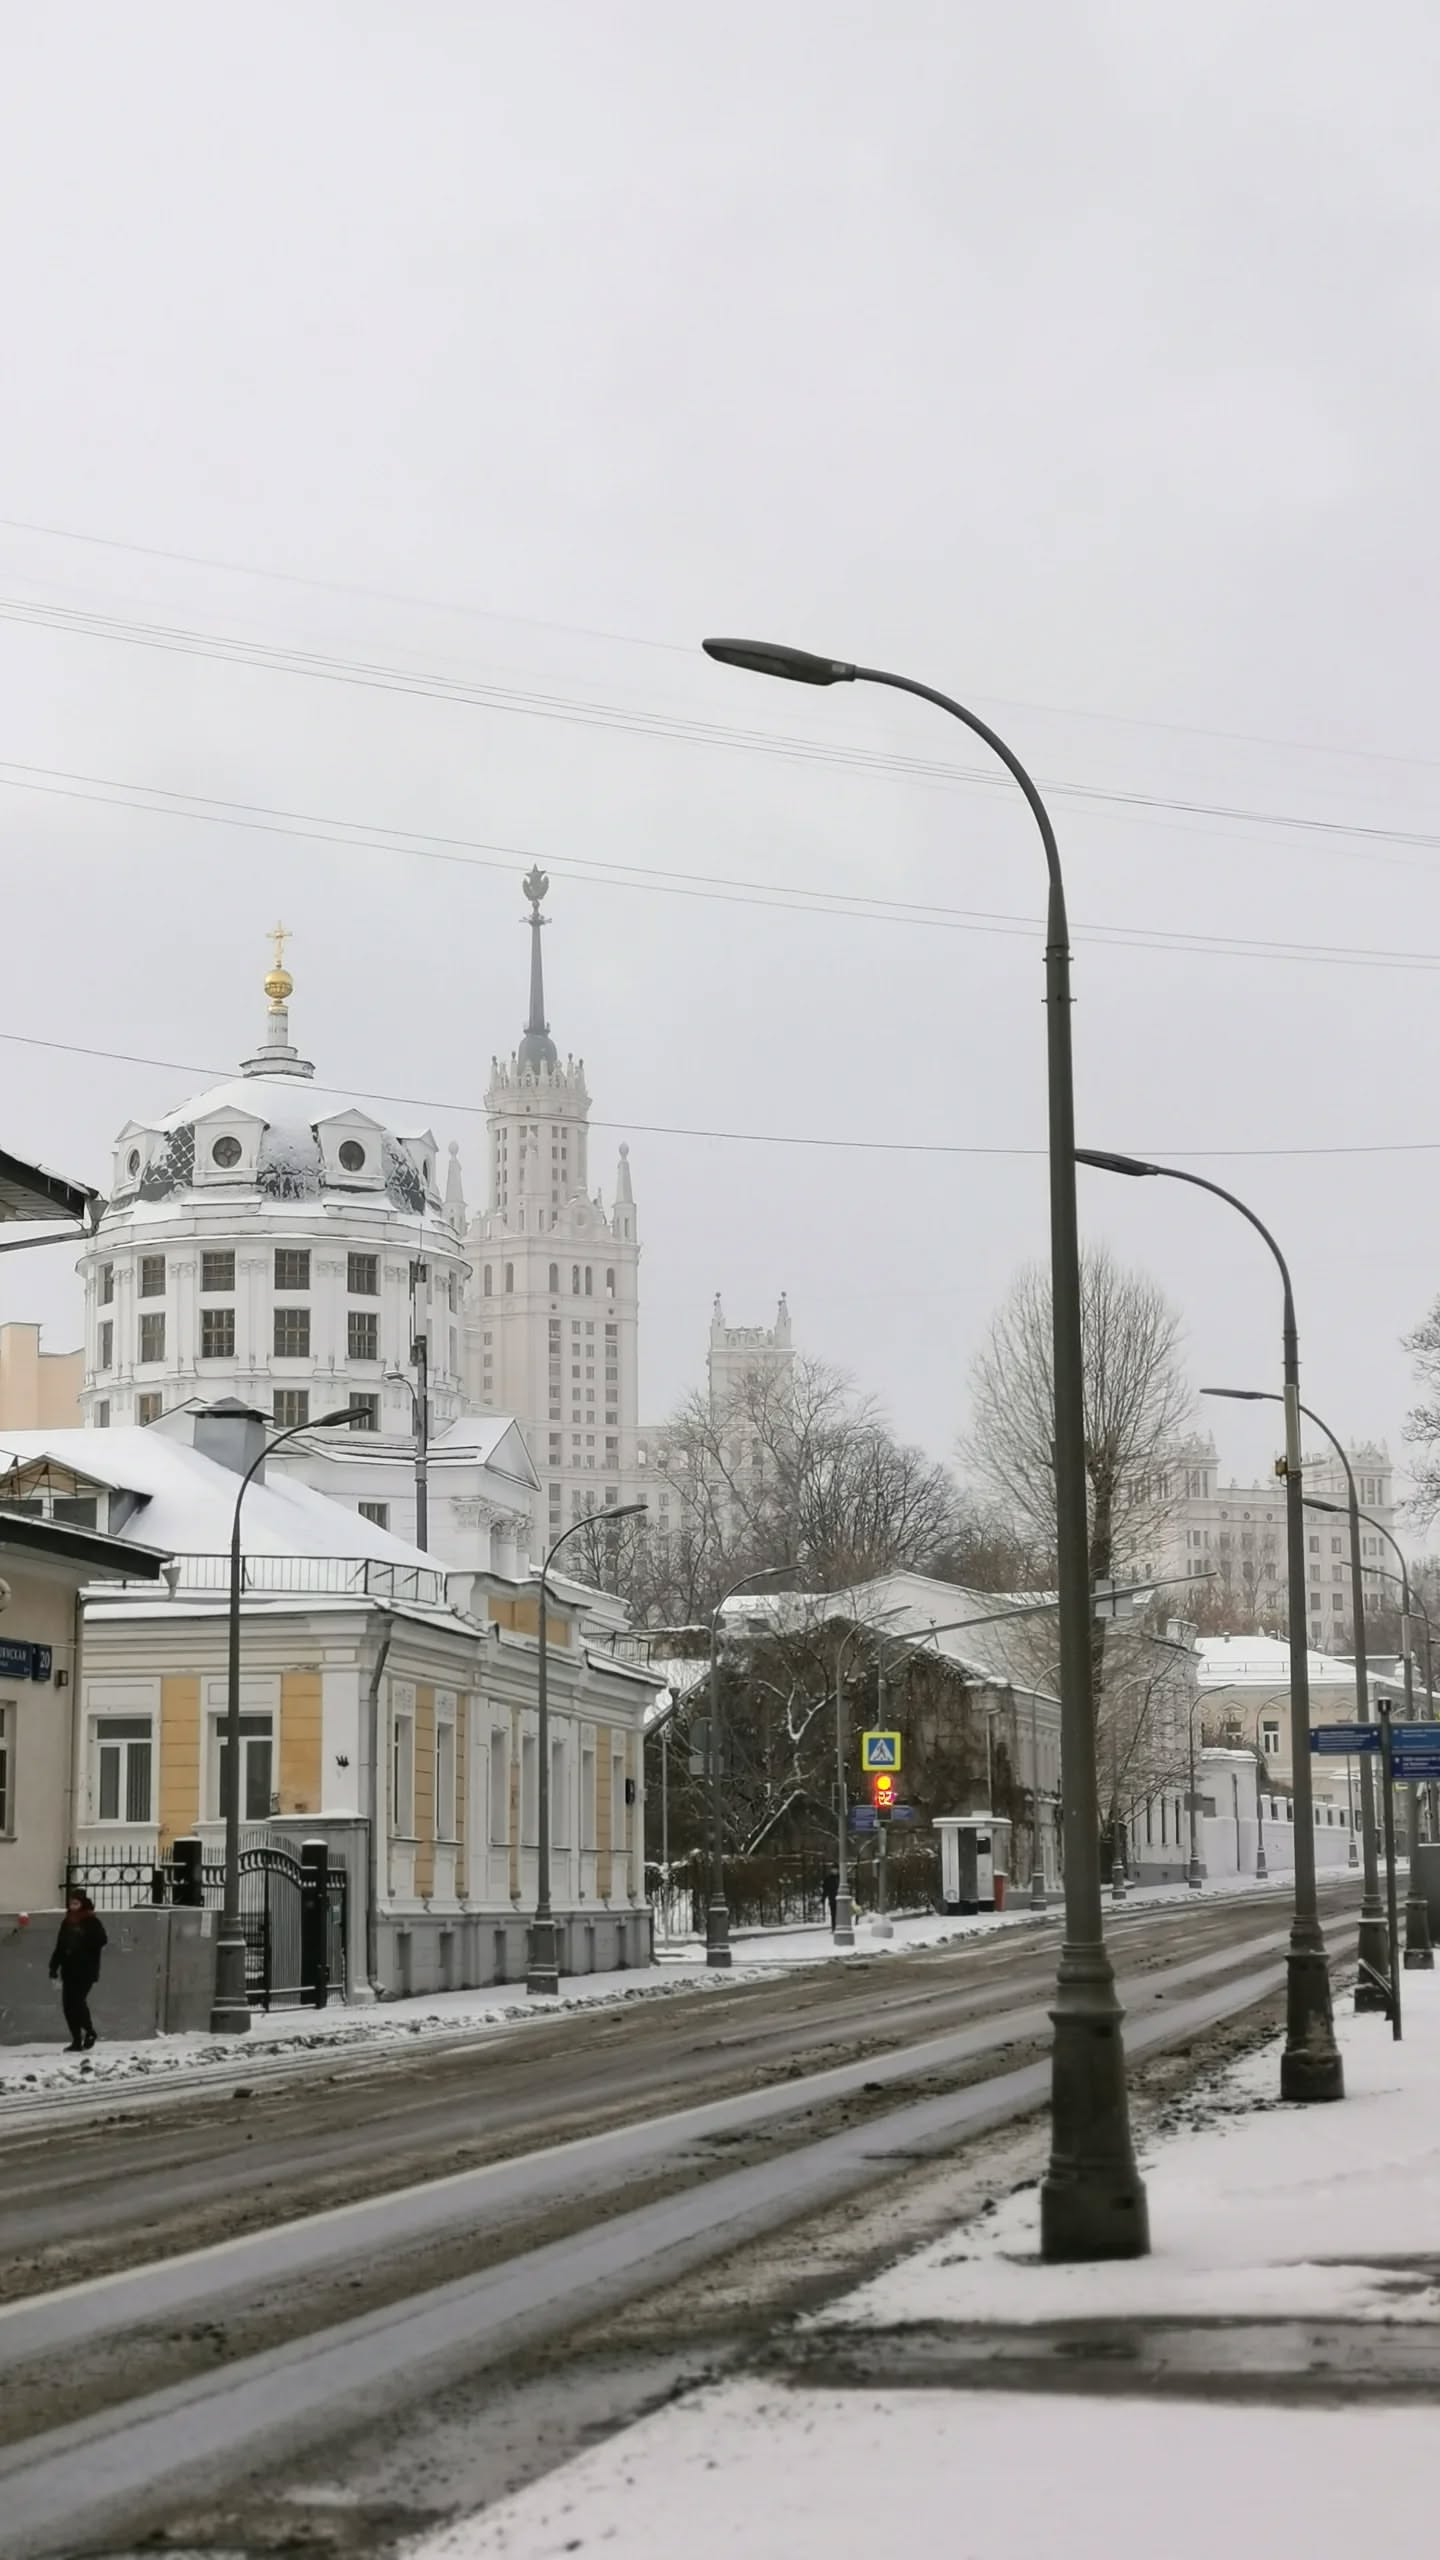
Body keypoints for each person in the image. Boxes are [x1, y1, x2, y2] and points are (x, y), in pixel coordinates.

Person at [49, 1892, 107, 2052]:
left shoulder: (91, 1921)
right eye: (71, 1903)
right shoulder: (67, 1922)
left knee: (77, 2002)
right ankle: (76, 2041)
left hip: (85, 1970)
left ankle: (89, 2031)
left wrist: (82, 1939)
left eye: (76, 1903)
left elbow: (102, 1940)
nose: (73, 1906)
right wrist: (53, 1968)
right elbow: (59, 1947)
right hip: (68, 1970)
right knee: (68, 2006)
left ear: (83, 1904)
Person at [822, 1864, 839, 1929]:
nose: (834, 1871)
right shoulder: (828, 1879)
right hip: (832, 1898)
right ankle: (834, 1927)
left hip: (840, 1899)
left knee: (839, 1914)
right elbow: (825, 1889)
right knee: (833, 1914)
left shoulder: (841, 1878)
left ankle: (838, 1926)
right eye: (833, 1869)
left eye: (835, 1869)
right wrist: (823, 1897)